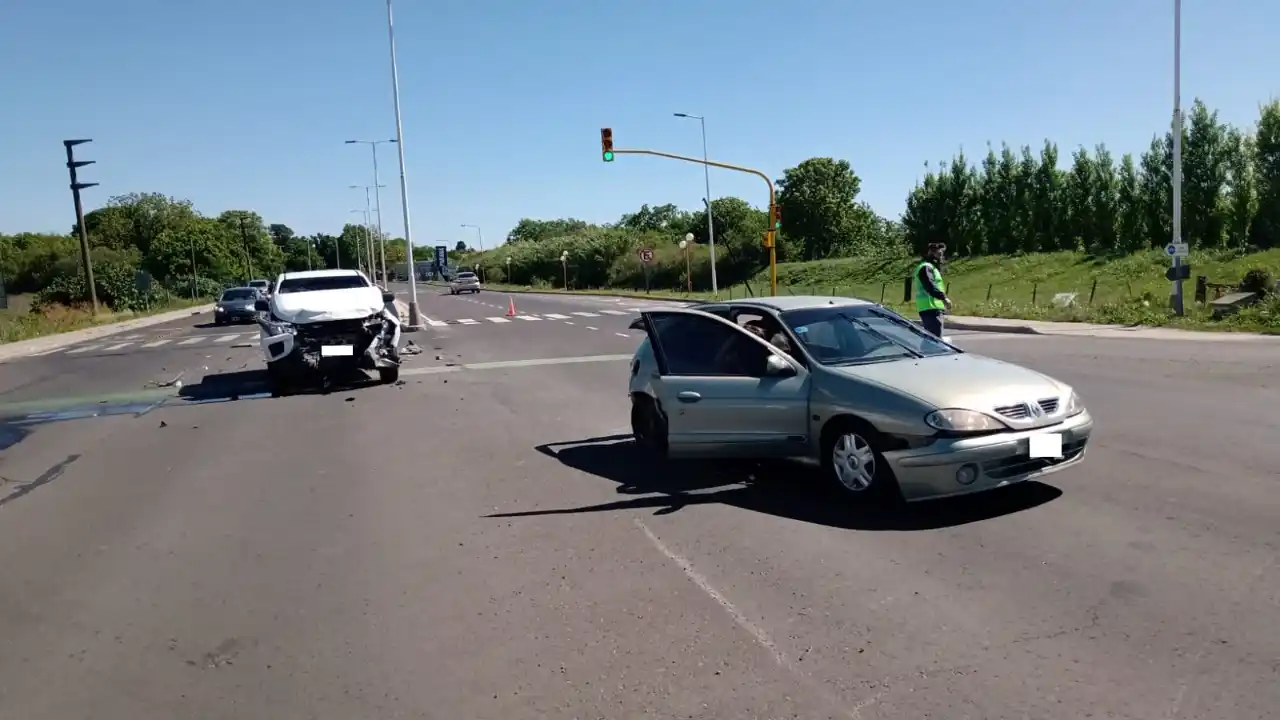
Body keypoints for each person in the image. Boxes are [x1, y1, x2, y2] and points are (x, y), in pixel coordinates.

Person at [914, 242, 952, 337]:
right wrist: (944, 298)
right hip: (930, 308)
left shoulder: (931, 268)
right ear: (932, 253)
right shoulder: (926, 267)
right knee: (935, 341)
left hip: (932, 308)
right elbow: (930, 285)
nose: (941, 257)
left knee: (932, 340)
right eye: (939, 254)